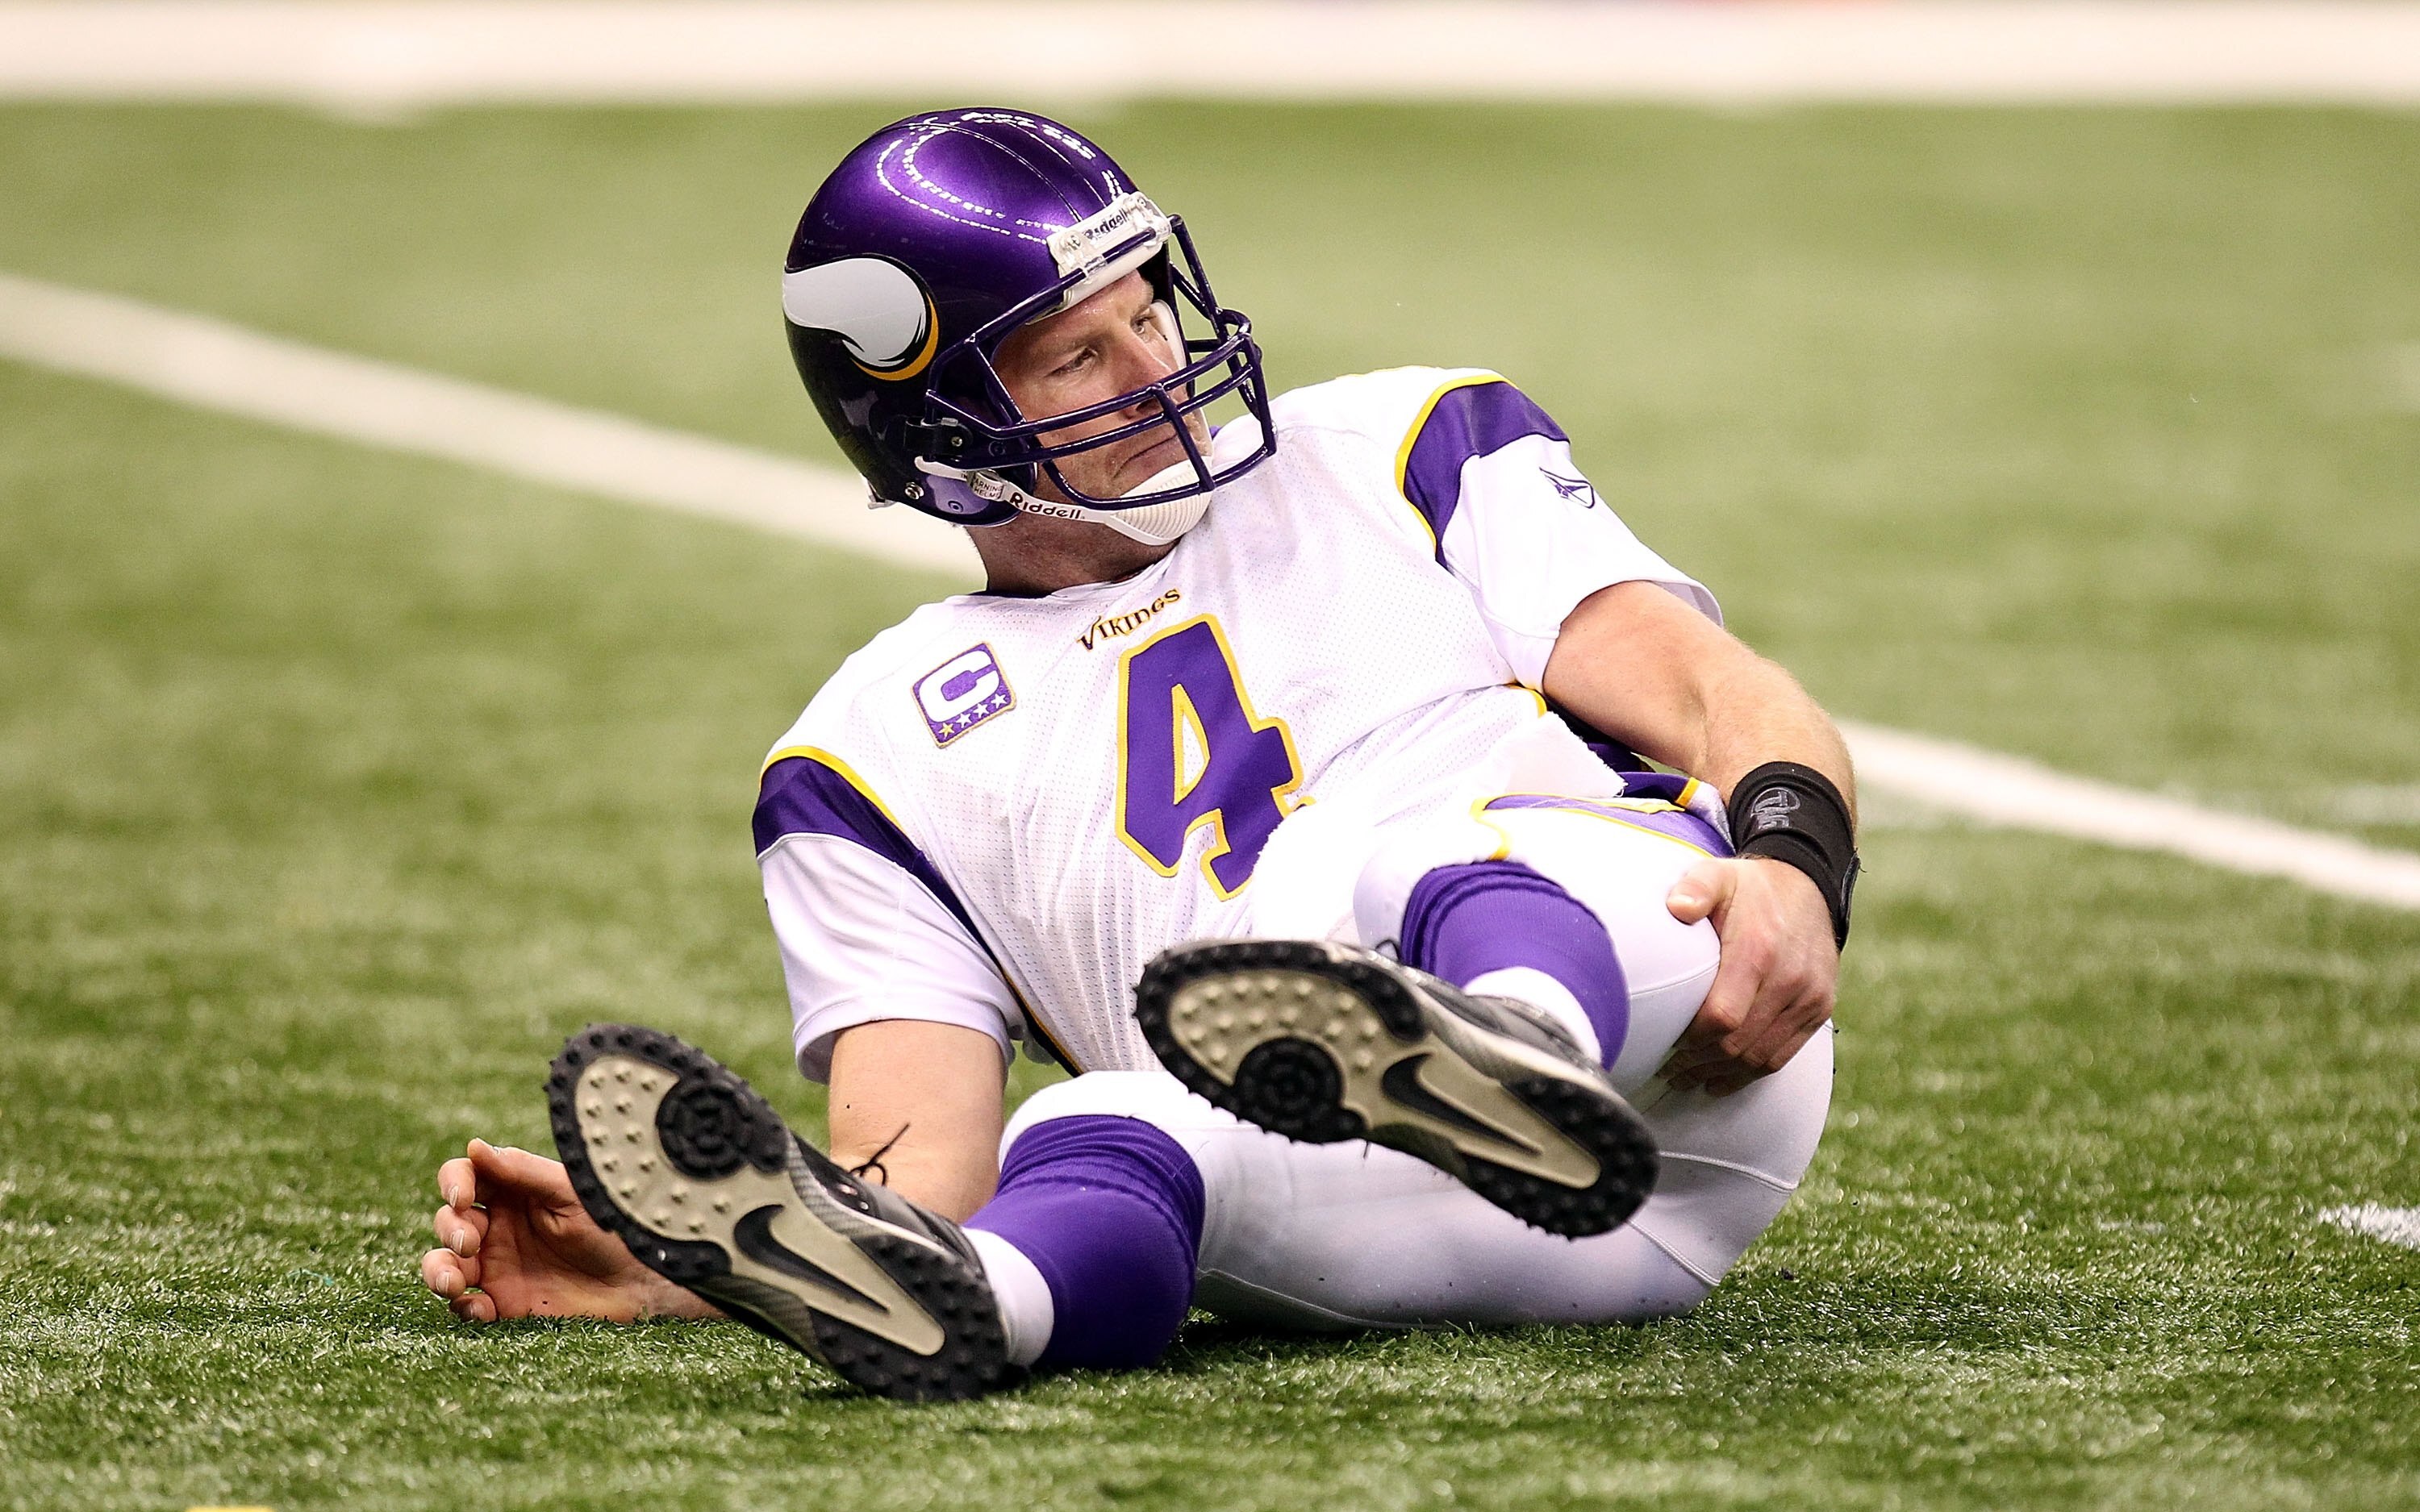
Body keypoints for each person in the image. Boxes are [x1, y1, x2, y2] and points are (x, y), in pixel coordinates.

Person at [419, 107, 1857, 1402]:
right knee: (1111, 1125)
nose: (1159, 367)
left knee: (1416, 863)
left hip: (1676, 1020)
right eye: (1078, 354)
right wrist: (679, 1270)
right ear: (942, 432)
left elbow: (1721, 696)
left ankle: (1517, 1044)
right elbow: (913, 1174)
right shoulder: (862, 759)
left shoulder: (1392, 443)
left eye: (1146, 310)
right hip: (1448, 1212)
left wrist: (1796, 868)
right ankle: (995, 1309)